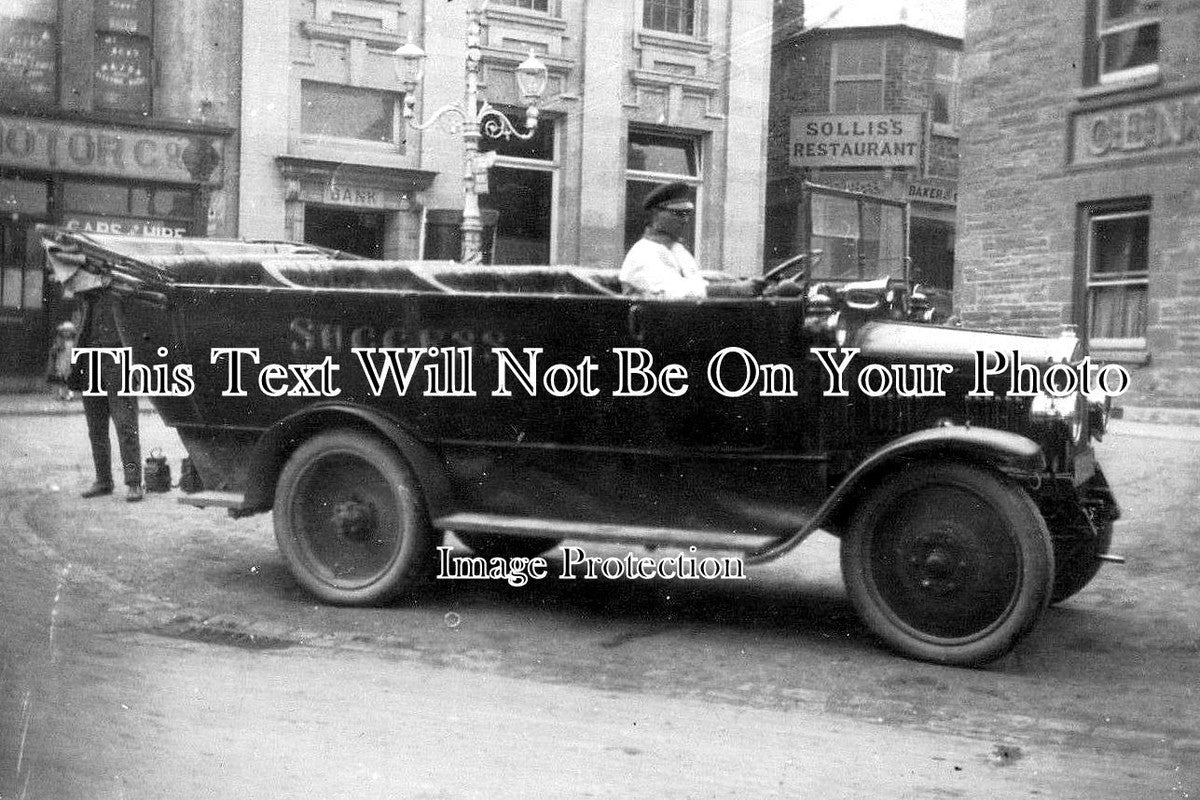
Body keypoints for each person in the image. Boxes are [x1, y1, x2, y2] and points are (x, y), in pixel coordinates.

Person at [44, 243, 144, 502]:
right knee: (96, 427)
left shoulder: (123, 288)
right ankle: (103, 480)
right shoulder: (87, 290)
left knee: (126, 425)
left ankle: (134, 483)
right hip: (90, 361)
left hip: (118, 362)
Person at [619, 181, 764, 299]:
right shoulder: (643, 253)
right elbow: (677, 294)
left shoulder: (677, 250)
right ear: (655, 215)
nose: (685, 220)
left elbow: (696, 284)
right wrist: (733, 290)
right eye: (678, 213)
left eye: (687, 213)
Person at [45, 320, 78, 401]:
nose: (67, 333)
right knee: (62, 379)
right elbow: (55, 351)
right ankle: (62, 394)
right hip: (62, 361)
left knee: (69, 378)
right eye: (65, 331)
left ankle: (69, 394)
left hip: (70, 361)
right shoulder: (60, 342)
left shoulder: (74, 342)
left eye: (68, 331)